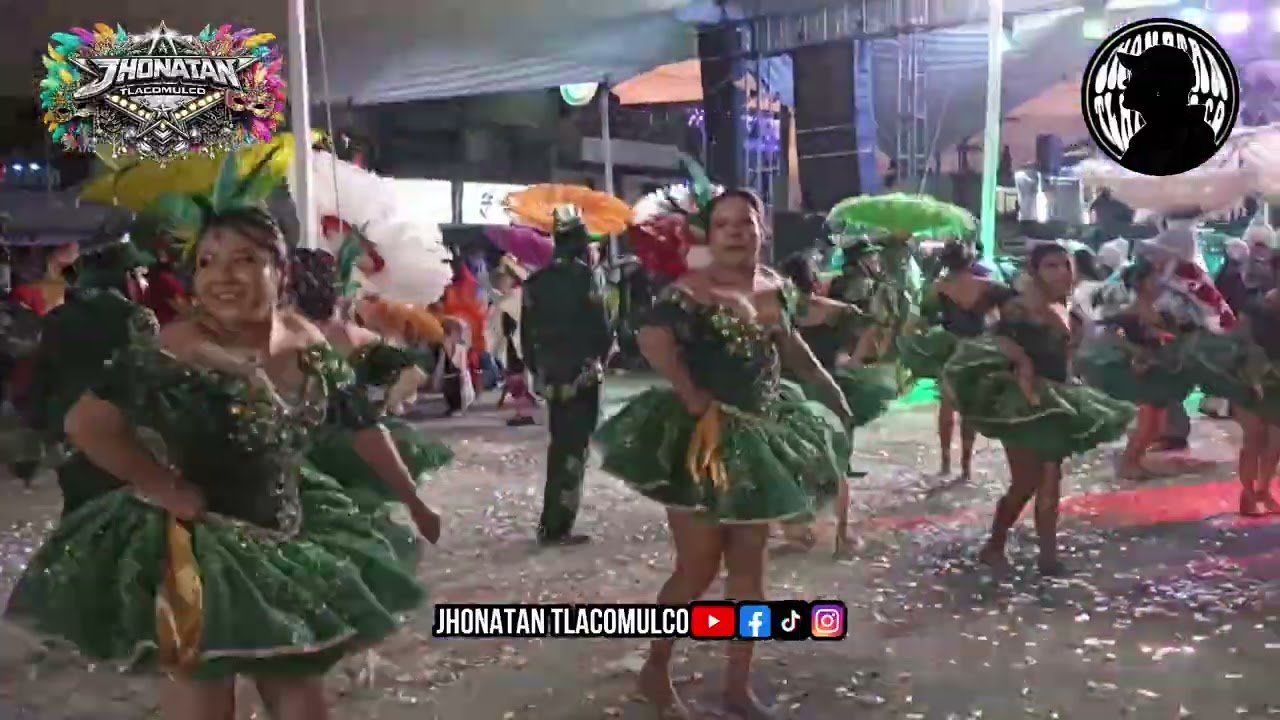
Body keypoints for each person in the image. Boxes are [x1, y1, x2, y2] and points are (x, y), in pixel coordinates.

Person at [4, 157, 440, 720]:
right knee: (206, 703)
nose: (221, 276)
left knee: (303, 703)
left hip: (293, 534)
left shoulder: (306, 340)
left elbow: (357, 419)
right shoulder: (171, 346)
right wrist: (161, 485)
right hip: (196, 546)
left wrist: (413, 499)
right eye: (207, 262)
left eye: (245, 260)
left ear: (280, 272)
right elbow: (86, 422)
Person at [594, 189, 853, 718]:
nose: (736, 232)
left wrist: (832, 392)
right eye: (724, 225)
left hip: (762, 434)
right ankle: (655, 667)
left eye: (745, 223)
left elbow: (791, 349)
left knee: (749, 572)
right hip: (699, 440)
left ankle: (738, 686)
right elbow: (651, 338)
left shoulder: (775, 289)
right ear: (709, 238)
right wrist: (693, 397)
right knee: (697, 568)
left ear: (762, 231)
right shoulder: (689, 291)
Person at [942, 243, 1134, 574]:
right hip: (1021, 402)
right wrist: (1023, 363)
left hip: (1057, 399)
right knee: (1025, 482)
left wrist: (1075, 381)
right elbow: (996, 340)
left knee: (1050, 477)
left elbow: (1066, 357)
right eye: (1051, 265)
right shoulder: (1021, 307)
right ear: (1035, 271)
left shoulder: (1070, 308)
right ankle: (995, 544)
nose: (1061, 271)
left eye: (1066, 264)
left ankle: (1047, 555)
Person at [288, 247, 453, 516]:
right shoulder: (350, 335)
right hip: (339, 456)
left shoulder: (313, 335)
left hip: (323, 458)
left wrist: (385, 402)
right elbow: (415, 369)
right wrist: (387, 401)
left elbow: (414, 369)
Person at [22, 234, 158, 509]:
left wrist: (43, 425)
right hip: (121, 432)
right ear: (128, 276)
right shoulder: (138, 319)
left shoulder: (58, 318)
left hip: (68, 433)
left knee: (79, 515)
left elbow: (40, 378)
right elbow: (154, 378)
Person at [521, 206, 614, 545]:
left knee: (559, 445)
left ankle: (551, 521)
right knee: (575, 449)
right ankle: (558, 525)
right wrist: (599, 361)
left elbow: (526, 338)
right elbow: (602, 331)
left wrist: (540, 372)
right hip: (583, 374)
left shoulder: (534, 282)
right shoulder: (588, 278)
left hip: (550, 376)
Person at [776, 253, 881, 554]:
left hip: (784, 393)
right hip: (826, 388)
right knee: (838, 464)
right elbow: (873, 325)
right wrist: (854, 361)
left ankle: (797, 534)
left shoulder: (778, 311)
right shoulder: (834, 310)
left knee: (787, 461)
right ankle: (842, 538)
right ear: (814, 280)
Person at [1076, 255, 1200, 478]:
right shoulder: (1132, 311)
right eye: (1155, 279)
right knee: (1149, 422)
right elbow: (1109, 334)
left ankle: (1134, 459)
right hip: (1143, 373)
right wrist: (1135, 352)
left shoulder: (1156, 310)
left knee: (1157, 425)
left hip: (1156, 370)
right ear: (1141, 283)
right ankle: (1129, 463)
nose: (1160, 284)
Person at [900, 242, 1014, 480]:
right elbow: (1012, 314)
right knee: (970, 409)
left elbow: (922, 322)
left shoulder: (936, 288)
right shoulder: (990, 286)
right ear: (971, 260)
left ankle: (944, 463)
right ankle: (966, 467)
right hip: (979, 350)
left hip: (949, 348)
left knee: (947, 405)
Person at [1117, 45, 1218, 176]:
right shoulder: (1154, 134)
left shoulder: (1182, 139)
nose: (1126, 82)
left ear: (1157, 88)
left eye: (1135, 76)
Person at [490, 256, 536, 427]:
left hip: (518, 343)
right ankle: (522, 412)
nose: (501, 283)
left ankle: (524, 413)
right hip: (513, 342)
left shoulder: (517, 295)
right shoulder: (511, 296)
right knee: (516, 378)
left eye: (503, 279)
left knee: (518, 379)